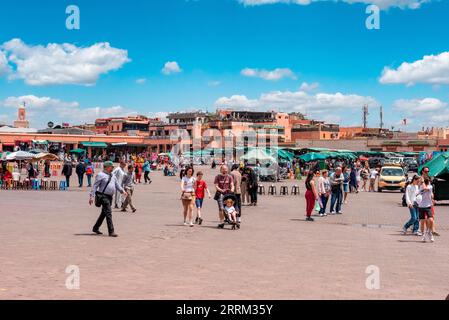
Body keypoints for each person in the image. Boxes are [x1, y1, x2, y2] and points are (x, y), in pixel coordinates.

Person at [89, 161, 127, 237]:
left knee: (104, 213)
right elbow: (95, 186)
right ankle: (111, 231)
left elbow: (117, 185)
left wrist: (122, 191)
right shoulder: (100, 175)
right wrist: (91, 196)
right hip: (103, 196)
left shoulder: (112, 175)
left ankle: (95, 228)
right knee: (109, 213)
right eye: (111, 167)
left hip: (110, 197)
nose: (113, 168)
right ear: (106, 167)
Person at [418, 177, 435, 243]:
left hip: (428, 206)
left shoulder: (430, 186)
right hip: (421, 206)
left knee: (430, 220)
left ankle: (429, 232)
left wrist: (422, 182)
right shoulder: (421, 186)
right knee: (422, 222)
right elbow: (419, 192)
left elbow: (425, 188)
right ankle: (423, 235)